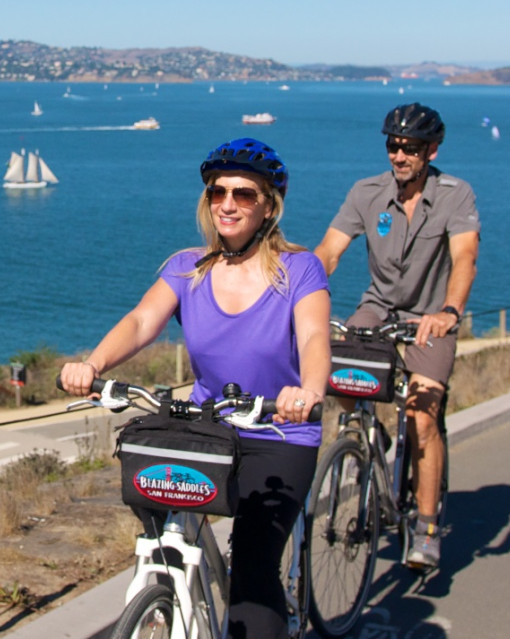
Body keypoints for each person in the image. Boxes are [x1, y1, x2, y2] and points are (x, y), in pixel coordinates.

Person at [60, 138, 330, 638]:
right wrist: (92, 364)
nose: (228, 204)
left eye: (244, 194)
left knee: (252, 566)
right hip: (209, 427)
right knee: (164, 532)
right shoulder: (188, 266)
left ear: (269, 205)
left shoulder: (299, 269)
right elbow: (143, 321)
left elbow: (314, 334)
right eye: (217, 192)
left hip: (280, 432)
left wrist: (309, 391)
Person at [313, 102, 480, 571]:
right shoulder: (366, 193)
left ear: (432, 150)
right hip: (378, 309)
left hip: (430, 319)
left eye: (409, 147)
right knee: (336, 378)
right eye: (393, 145)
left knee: (423, 419)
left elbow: (464, 257)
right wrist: (301, 295)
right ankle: (372, 437)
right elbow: (329, 251)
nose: (399, 155)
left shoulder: (455, 194)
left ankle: (426, 526)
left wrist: (450, 311)